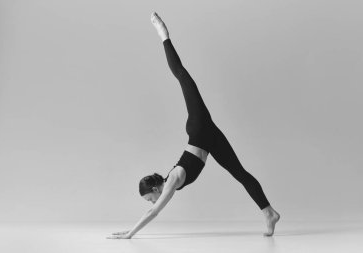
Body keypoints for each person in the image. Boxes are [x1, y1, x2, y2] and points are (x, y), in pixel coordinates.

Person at [107, 12, 280, 239]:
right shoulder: (170, 181)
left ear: (155, 189)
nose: (151, 201)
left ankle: (163, 34)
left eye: (149, 197)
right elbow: (153, 207)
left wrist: (130, 233)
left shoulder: (172, 183)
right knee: (240, 173)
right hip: (208, 139)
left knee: (182, 76)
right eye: (149, 200)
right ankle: (269, 213)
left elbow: (153, 212)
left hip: (199, 130)